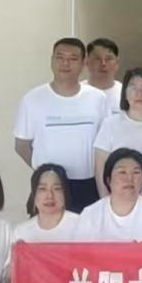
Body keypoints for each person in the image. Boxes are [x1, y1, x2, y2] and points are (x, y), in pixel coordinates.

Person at [14, 37, 109, 213]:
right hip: (48, 186)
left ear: (84, 63)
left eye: (73, 58)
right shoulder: (32, 99)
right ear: (52, 61)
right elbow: (21, 146)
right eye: (60, 57)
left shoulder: (98, 98)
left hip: (88, 184)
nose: (65, 63)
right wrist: (45, 172)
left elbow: (105, 144)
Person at [93, 67, 142, 204]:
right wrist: (105, 201)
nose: (140, 93)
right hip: (118, 203)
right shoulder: (110, 125)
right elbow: (100, 168)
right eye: (133, 88)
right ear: (125, 94)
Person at [77, 148, 142, 242]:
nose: (129, 178)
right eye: (122, 172)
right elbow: (79, 249)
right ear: (108, 180)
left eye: (136, 172)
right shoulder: (90, 214)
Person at [14, 163, 80, 243]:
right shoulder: (21, 232)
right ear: (34, 195)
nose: (50, 196)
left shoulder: (80, 225)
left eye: (57, 189)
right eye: (42, 189)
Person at [86, 37, 123, 111]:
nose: (103, 63)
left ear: (117, 63)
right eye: (97, 58)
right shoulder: (75, 92)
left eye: (108, 59)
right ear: (87, 62)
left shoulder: (126, 94)